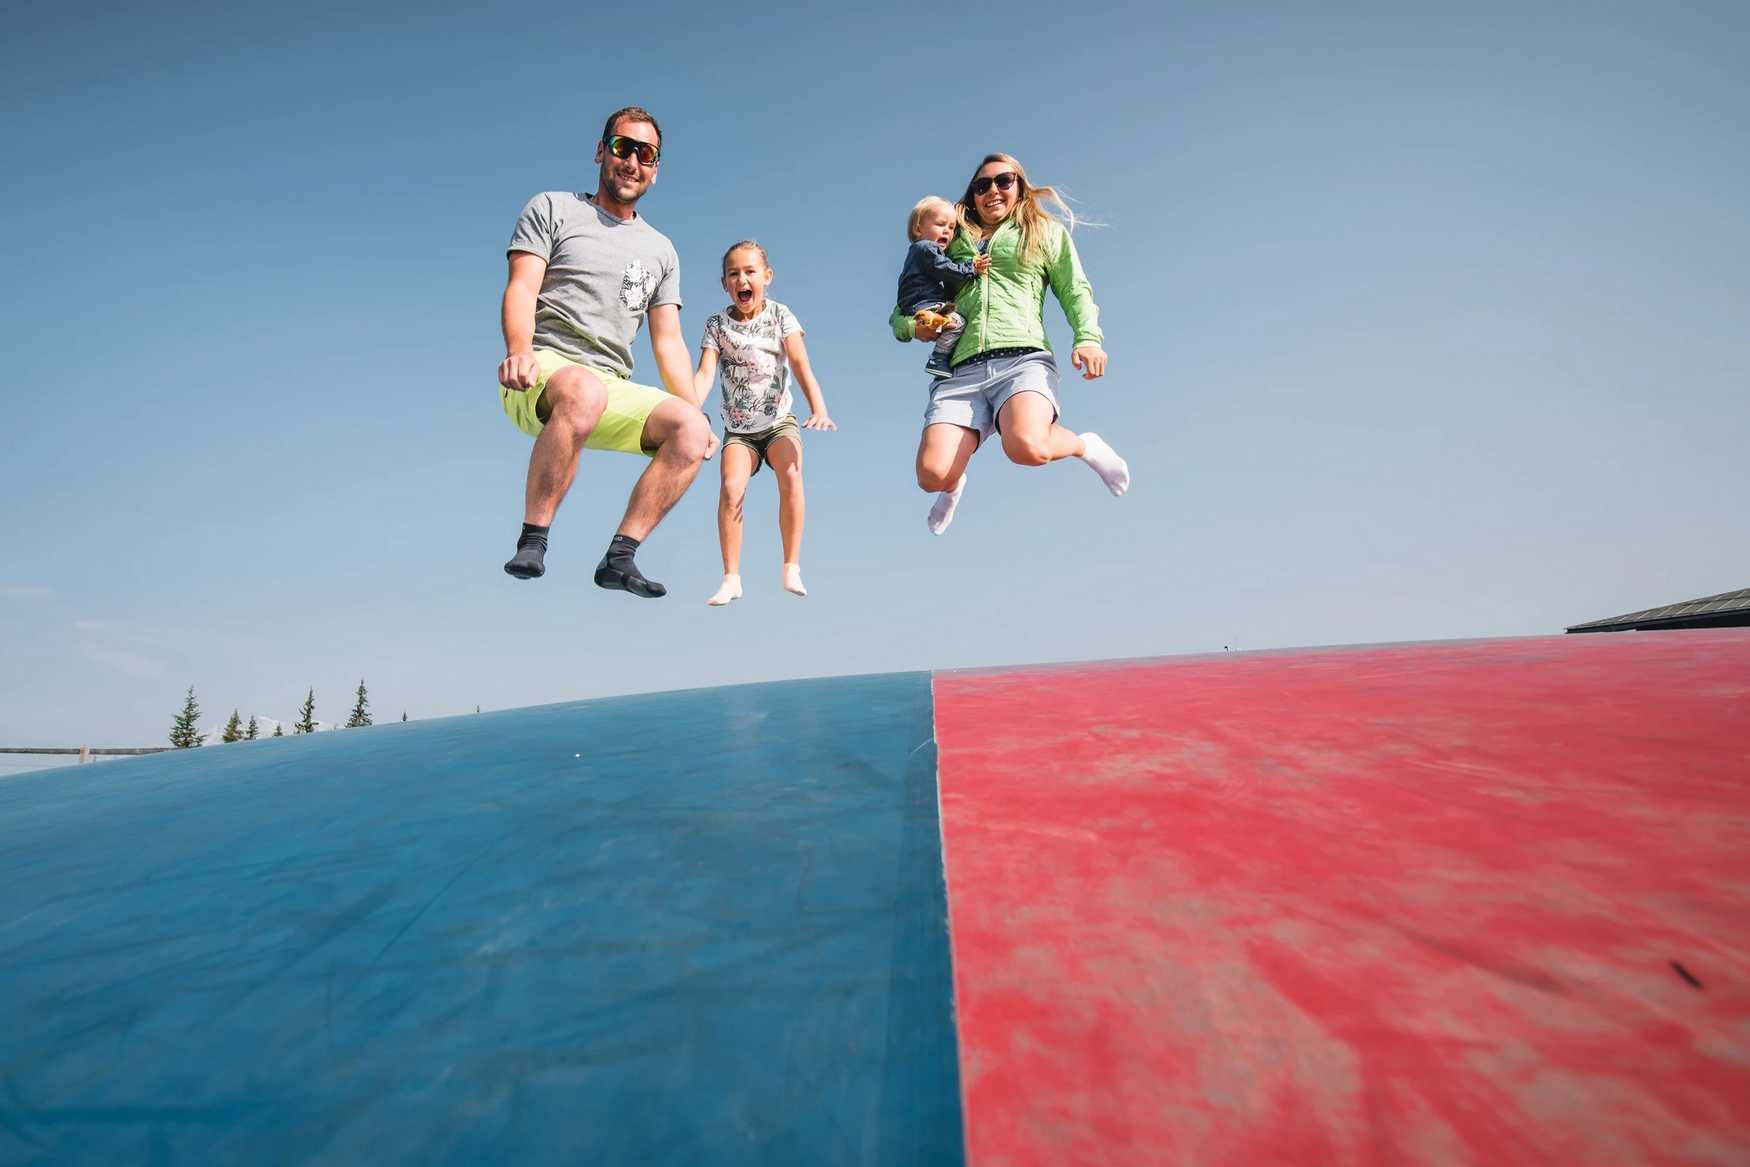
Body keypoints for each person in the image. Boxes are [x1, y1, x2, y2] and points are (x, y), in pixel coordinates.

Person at [496, 105, 715, 598]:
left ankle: (620, 558)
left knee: (692, 429)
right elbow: (522, 288)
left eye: (646, 154)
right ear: (601, 151)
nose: (632, 161)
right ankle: (534, 539)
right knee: (584, 390)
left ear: (655, 170)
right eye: (622, 148)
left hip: (610, 387)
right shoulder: (553, 208)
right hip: (543, 370)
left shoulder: (662, 250)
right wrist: (518, 350)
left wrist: (696, 414)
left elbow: (667, 340)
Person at [890, 153, 1131, 536]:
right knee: (932, 475)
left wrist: (1088, 338)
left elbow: (1074, 290)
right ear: (972, 195)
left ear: (1019, 185)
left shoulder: (1043, 232)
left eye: (1004, 181)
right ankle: (954, 485)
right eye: (982, 185)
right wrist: (910, 327)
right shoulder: (950, 241)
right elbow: (907, 298)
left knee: (1027, 448)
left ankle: (1085, 445)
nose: (993, 191)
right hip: (959, 369)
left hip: (1021, 359)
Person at [693, 242, 835, 605]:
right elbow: (706, 372)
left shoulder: (780, 315)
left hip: (778, 421)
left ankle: (791, 565)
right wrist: (689, 410)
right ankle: (731, 578)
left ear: (766, 277)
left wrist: (818, 407)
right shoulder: (716, 325)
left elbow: (801, 364)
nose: (743, 279)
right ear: (725, 283)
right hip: (739, 430)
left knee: (790, 473)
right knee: (731, 487)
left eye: (750, 272)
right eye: (734, 273)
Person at [896, 195, 991, 378]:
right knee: (957, 323)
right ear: (918, 228)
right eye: (940, 224)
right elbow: (945, 269)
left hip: (915, 303)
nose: (947, 232)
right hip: (923, 302)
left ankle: (936, 319)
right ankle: (938, 357)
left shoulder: (915, 253)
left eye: (952, 228)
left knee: (947, 316)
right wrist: (971, 267)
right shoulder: (927, 248)